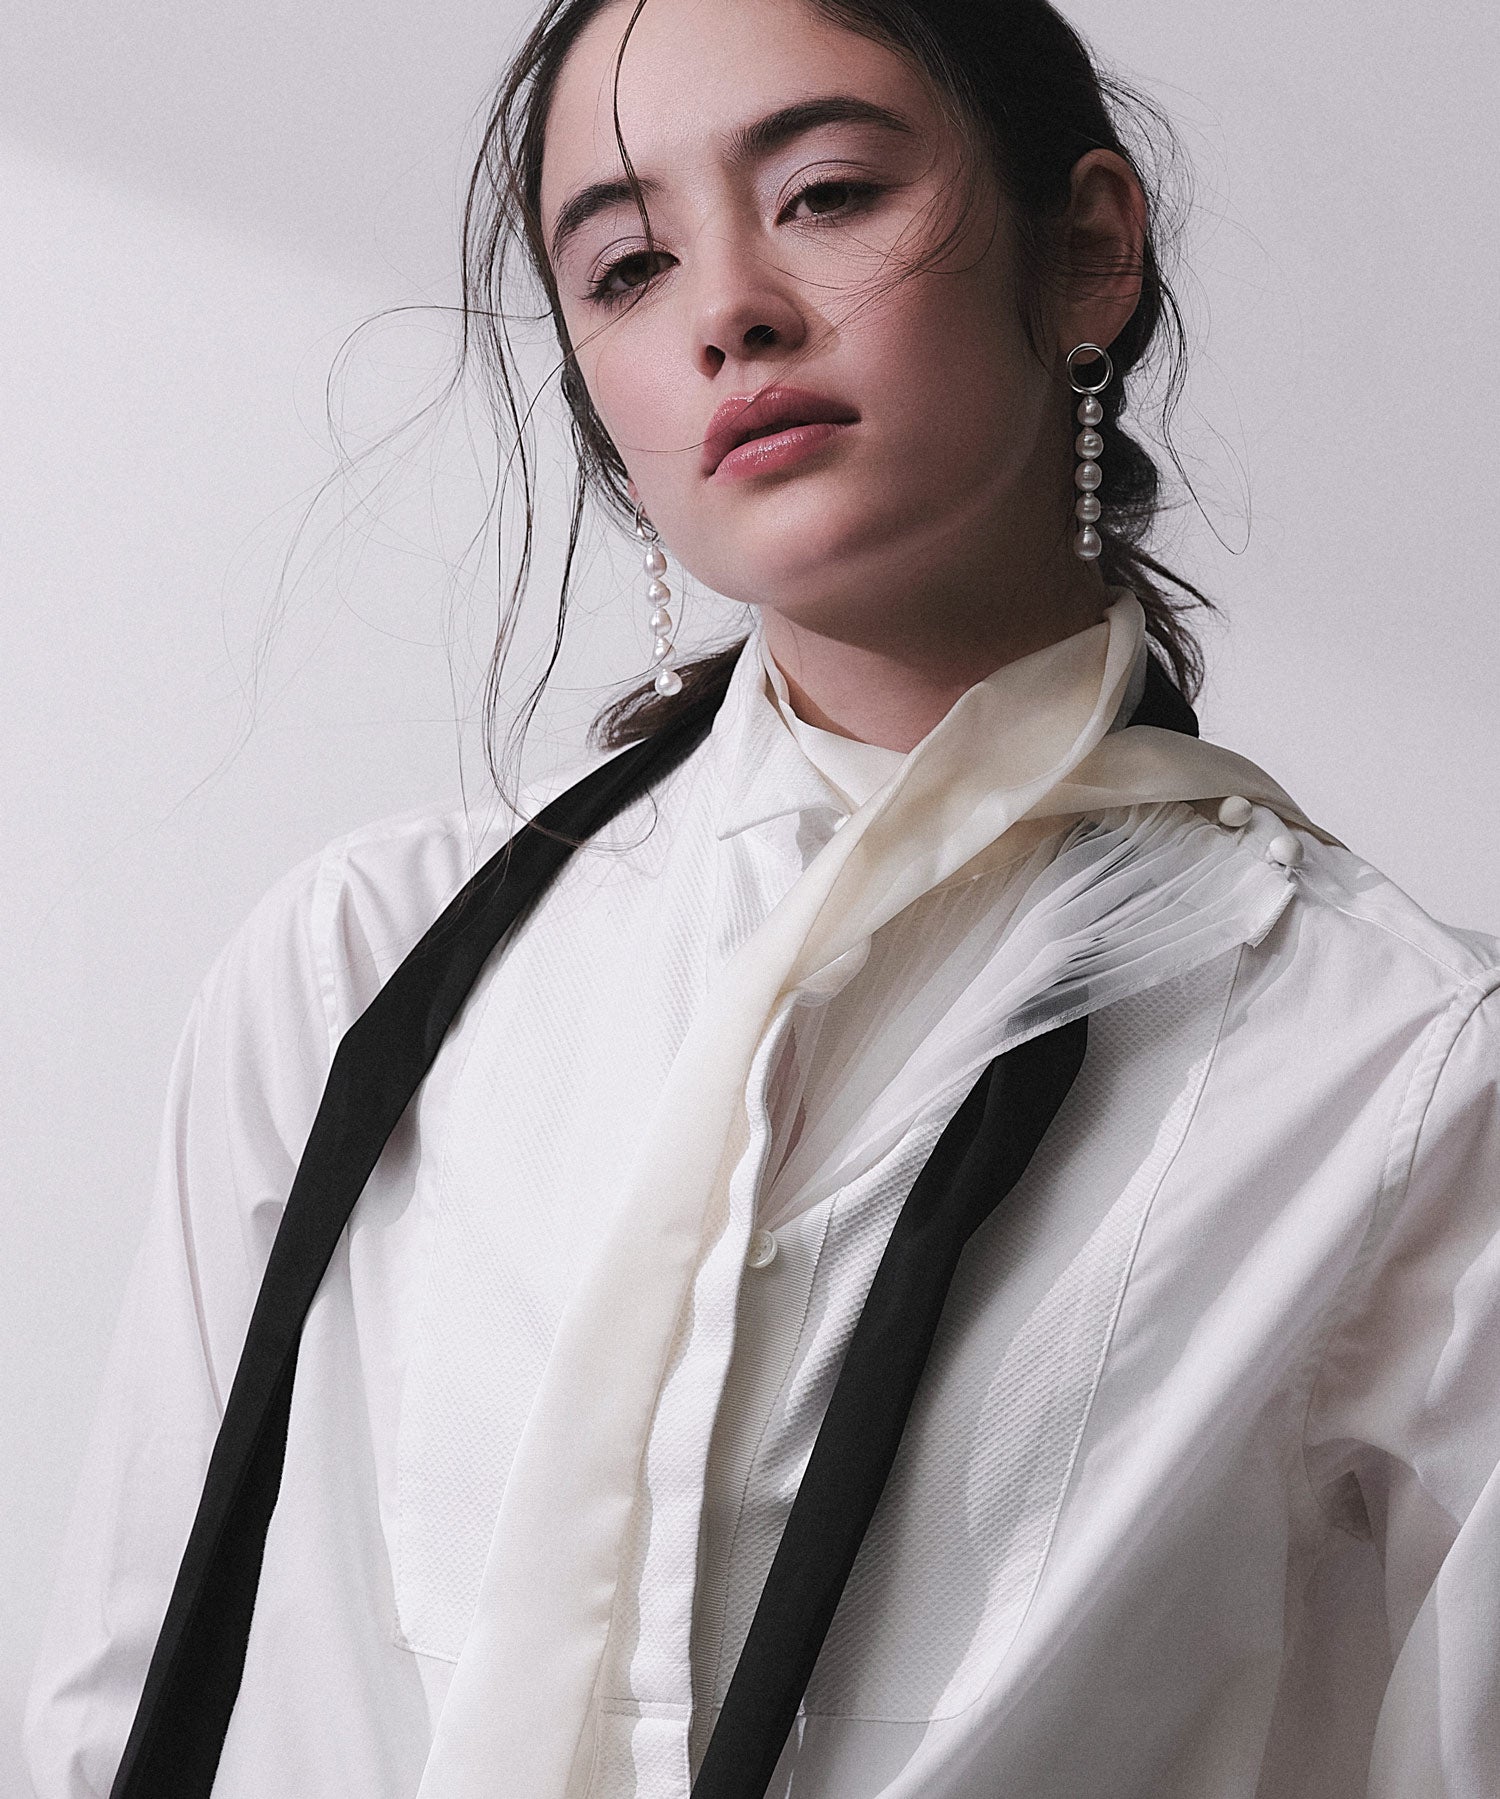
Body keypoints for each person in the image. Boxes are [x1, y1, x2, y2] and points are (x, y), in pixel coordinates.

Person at [25, 0, 1500, 1795]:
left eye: (827, 194)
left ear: (1089, 251)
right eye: (629, 268)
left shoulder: (1403, 1073)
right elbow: (125, 1709)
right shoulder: (360, 974)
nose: (728, 309)